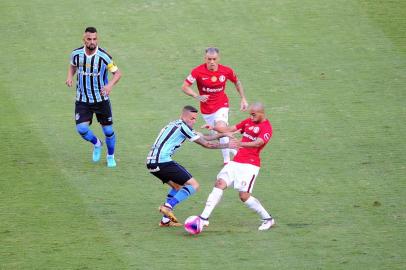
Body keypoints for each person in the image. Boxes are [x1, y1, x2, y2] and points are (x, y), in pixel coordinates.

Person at [146, 105, 237, 227]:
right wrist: (227, 145)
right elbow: (207, 144)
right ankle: (168, 206)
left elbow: (205, 137)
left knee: (177, 186)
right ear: (184, 116)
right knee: (194, 185)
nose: (194, 121)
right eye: (192, 118)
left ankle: (165, 221)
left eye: (195, 119)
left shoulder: (177, 124)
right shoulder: (184, 127)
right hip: (162, 162)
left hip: (151, 163)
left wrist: (224, 134)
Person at [199, 102, 276, 231]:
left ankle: (268, 219)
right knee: (219, 183)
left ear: (261, 113)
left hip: (250, 165)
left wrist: (241, 143)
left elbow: (258, 143)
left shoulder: (266, 128)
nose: (251, 118)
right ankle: (203, 218)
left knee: (243, 196)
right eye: (250, 115)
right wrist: (213, 127)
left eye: (253, 115)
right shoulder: (248, 122)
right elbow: (230, 129)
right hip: (236, 161)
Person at [181, 47, 248, 165]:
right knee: (219, 135)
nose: (212, 62)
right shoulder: (197, 71)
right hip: (207, 110)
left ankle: (228, 161)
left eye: (214, 59)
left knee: (221, 127)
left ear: (218, 59)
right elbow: (184, 87)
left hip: (222, 104)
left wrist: (243, 98)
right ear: (205, 58)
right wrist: (197, 96)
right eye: (209, 59)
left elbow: (237, 82)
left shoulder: (226, 71)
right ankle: (237, 152)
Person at [66, 27, 122, 167]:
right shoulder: (76, 54)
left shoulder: (104, 57)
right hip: (83, 100)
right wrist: (69, 77)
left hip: (101, 100)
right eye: (89, 39)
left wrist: (109, 85)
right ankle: (97, 143)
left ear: (97, 39)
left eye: (94, 39)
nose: (92, 42)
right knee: (82, 129)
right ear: (84, 39)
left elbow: (117, 73)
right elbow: (73, 66)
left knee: (108, 130)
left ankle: (110, 156)